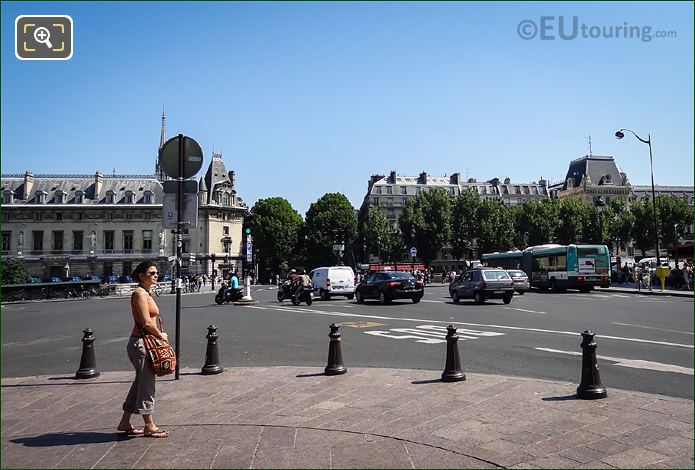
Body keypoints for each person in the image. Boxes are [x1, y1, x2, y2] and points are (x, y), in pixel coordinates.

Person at [117, 261, 169, 438]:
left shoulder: (147, 292)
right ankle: (149, 425)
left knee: (140, 383)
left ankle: (125, 422)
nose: (156, 276)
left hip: (144, 342)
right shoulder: (139, 293)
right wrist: (160, 335)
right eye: (152, 273)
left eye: (157, 273)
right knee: (147, 385)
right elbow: (146, 322)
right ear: (141, 275)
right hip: (140, 344)